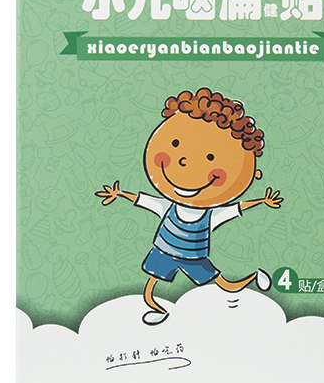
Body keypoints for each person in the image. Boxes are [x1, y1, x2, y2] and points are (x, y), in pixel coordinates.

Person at [95, 87, 283, 325]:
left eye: (210, 158)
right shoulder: (168, 206)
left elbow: (237, 207)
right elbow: (143, 200)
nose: (185, 163)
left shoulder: (211, 215)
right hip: (164, 252)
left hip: (194, 257)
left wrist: (263, 201)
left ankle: (255, 277)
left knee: (227, 285)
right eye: (175, 144)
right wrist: (119, 193)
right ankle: (159, 311)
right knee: (149, 290)